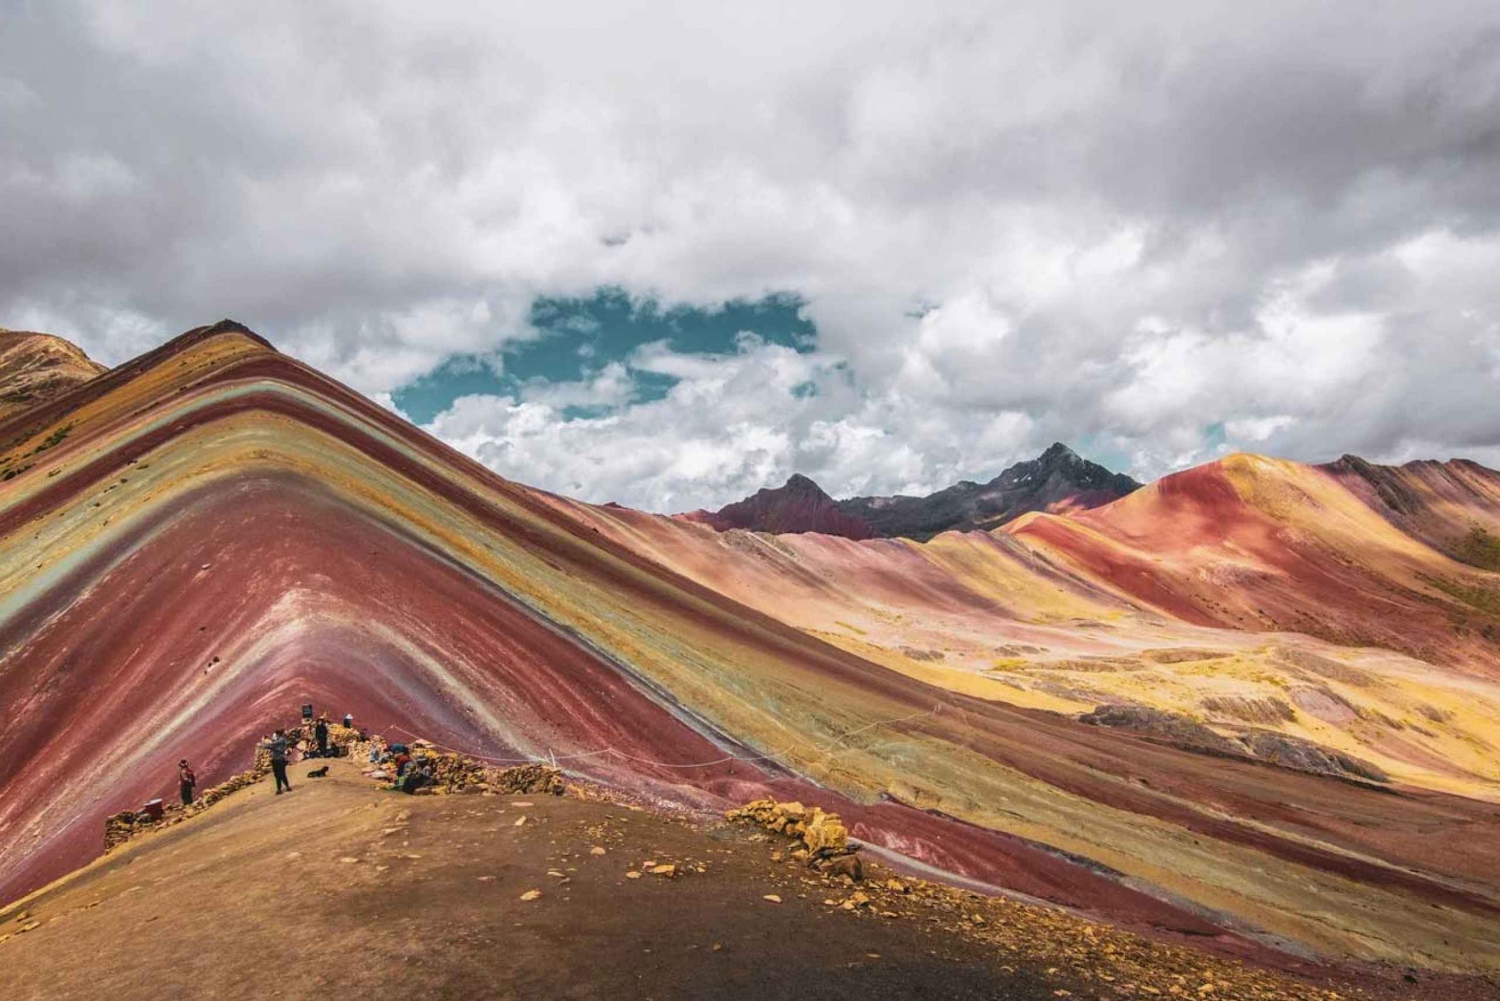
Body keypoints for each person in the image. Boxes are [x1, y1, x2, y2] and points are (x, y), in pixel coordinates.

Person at [262, 729, 293, 794]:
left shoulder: (280, 741)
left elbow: (271, 746)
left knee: (278, 774)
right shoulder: (282, 740)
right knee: (282, 774)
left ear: (277, 734)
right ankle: (286, 787)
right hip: (281, 759)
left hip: (277, 760)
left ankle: (280, 789)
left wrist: (263, 743)